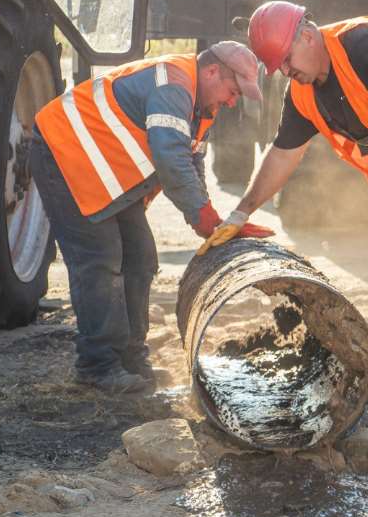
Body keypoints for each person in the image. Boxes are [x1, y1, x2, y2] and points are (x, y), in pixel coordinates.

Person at [199, 1, 368, 392]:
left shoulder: (365, 46)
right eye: (279, 67)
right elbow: (282, 154)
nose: (287, 72)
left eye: (287, 60)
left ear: (307, 35)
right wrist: (241, 212)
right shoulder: (304, 94)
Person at [31, 42, 273, 394]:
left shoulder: (200, 104)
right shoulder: (173, 85)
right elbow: (170, 156)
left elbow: (191, 160)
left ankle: (130, 355)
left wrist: (207, 218)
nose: (233, 101)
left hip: (104, 170)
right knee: (100, 260)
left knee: (141, 257)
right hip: (63, 154)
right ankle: (98, 365)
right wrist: (203, 217)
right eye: (233, 91)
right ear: (211, 72)